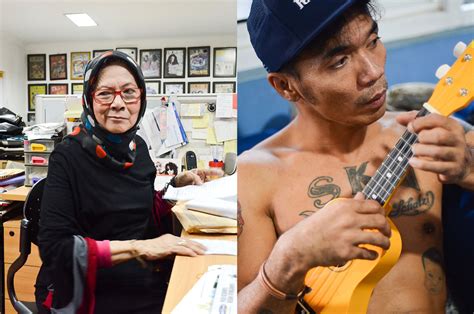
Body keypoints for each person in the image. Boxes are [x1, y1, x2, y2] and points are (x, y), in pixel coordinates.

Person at [238, 1, 474, 313]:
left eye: (373, 42)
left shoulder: (438, 134)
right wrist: (288, 261)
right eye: (339, 61)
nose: (373, 71)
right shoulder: (253, 177)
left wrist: (470, 172)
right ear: (285, 86)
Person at [35, 51, 222, 313]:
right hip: (91, 287)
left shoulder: (138, 148)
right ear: (89, 99)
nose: (118, 103)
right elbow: (56, 249)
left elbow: (140, 207)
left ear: (141, 99)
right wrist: (140, 248)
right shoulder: (67, 156)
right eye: (105, 93)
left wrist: (177, 185)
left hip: (141, 274)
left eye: (129, 92)